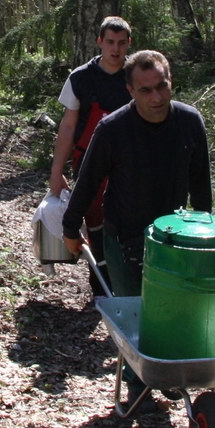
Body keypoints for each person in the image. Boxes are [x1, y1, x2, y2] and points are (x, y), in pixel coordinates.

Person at [61, 49, 212, 414]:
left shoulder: (190, 122)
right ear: (130, 90)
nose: (156, 97)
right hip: (123, 236)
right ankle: (137, 383)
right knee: (136, 315)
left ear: (170, 81)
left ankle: (168, 371)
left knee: (174, 312)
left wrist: (206, 235)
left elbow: (202, 188)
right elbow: (87, 181)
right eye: (145, 90)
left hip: (174, 239)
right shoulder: (114, 128)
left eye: (162, 86)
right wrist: (70, 228)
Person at [49, 17, 132, 271]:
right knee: (95, 223)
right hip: (88, 163)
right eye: (109, 42)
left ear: (129, 44)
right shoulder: (80, 78)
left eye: (121, 43)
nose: (115, 49)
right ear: (99, 42)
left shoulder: (137, 76)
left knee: (128, 224)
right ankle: (101, 284)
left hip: (129, 164)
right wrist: (56, 172)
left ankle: (127, 282)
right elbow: (68, 127)